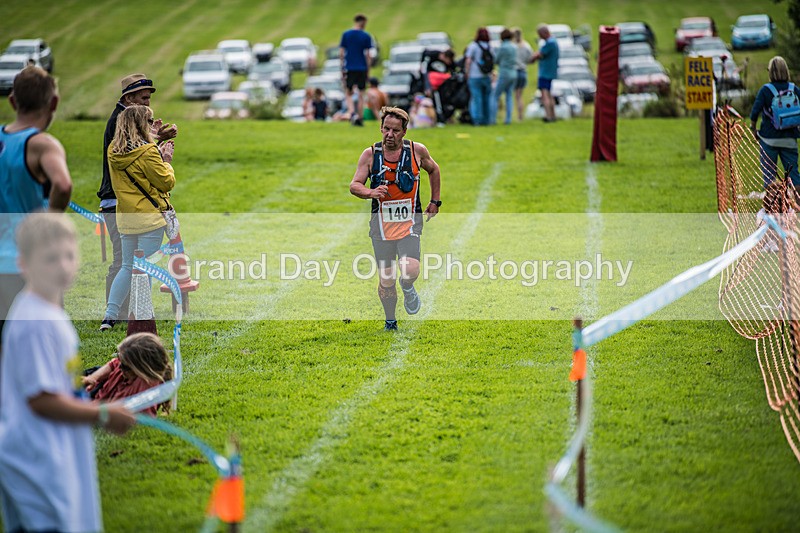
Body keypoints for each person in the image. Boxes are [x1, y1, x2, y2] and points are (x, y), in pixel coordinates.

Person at [0, 213, 135, 533]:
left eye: (69, 256)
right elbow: (42, 400)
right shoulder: (37, 323)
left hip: (48, 450)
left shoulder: (47, 311)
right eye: (50, 259)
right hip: (36, 458)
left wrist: (81, 383)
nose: (62, 266)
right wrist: (102, 413)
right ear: (24, 264)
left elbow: (49, 380)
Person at [349, 107, 442, 331]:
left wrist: (435, 201)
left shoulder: (416, 151)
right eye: (386, 129)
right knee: (386, 279)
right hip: (381, 227)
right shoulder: (370, 155)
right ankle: (390, 320)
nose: (389, 134)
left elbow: (434, 169)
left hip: (410, 222)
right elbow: (354, 185)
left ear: (404, 131)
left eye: (395, 130)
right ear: (381, 128)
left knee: (410, 270)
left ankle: (408, 287)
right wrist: (371, 192)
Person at [0, 66, 72, 346]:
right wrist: (50, 222)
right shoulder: (41, 144)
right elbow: (63, 185)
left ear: (12, 101)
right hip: (30, 261)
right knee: (45, 344)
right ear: (53, 102)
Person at [98, 74, 177, 312]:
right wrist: (160, 153)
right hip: (120, 201)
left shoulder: (124, 121)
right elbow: (132, 155)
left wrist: (153, 138)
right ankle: (124, 314)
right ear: (128, 98)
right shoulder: (119, 122)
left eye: (149, 99)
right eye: (143, 98)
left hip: (120, 202)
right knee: (124, 262)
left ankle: (118, 313)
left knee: (126, 263)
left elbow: (132, 150)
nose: (147, 103)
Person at [83, 332, 173, 416]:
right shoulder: (125, 368)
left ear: (141, 369)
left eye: (125, 366)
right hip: (96, 390)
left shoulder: (144, 387)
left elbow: (142, 419)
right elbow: (114, 364)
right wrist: (91, 378)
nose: (120, 367)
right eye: (120, 359)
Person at [750, 56, 800, 187]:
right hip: (790, 139)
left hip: (768, 139)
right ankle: (798, 205)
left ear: (770, 72)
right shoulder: (794, 89)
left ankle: (772, 207)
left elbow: (755, 112)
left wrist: (753, 129)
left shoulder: (765, 90)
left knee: (769, 177)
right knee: (794, 176)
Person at [339, 13, 373, 126]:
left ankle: (352, 114)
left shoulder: (346, 34)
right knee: (361, 93)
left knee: (348, 92)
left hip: (350, 67)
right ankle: (360, 116)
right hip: (362, 67)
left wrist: (342, 68)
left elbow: (342, 53)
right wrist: (368, 70)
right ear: (363, 22)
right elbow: (368, 55)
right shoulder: (366, 36)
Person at [464, 27, 494, 126]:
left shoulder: (473, 46)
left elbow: (468, 60)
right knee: (487, 98)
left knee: (476, 98)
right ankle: (487, 119)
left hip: (474, 75)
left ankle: (477, 119)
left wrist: (467, 73)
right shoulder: (490, 46)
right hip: (487, 76)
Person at [532, 24, 560, 123]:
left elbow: (539, 55)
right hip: (551, 71)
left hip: (545, 72)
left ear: (544, 33)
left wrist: (530, 58)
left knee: (544, 94)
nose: (539, 36)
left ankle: (548, 116)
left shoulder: (549, 43)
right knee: (549, 94)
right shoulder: (554, 41)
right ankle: (553, 115)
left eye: (540, 34)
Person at [492, 29, 518, 125]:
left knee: (495, 95)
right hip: (513, 73)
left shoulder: (503, 47)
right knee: (509, 96)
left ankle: (493, 119)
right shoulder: (514, 47)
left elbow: (496, 60)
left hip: (504, 73)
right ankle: (508, 119)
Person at [512, 28, 534, 122]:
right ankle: (520, 116)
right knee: (520, 96)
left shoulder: (512, 46)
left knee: (515, 96)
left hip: (514, 71)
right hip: (523, 71)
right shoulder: (526, 45)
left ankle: (518, 116)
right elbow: (531, 58)